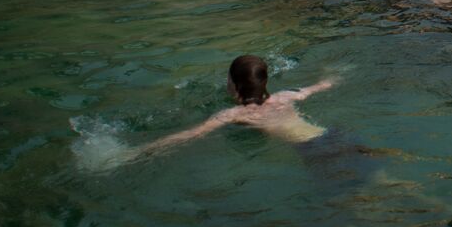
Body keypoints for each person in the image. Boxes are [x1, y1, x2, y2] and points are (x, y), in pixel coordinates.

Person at [130, 56, 338, 160]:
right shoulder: (285, 96)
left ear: (233, 85)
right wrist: (330, 70)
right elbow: (325, 85)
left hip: (312, 151)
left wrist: (137, 152)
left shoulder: (235, 114)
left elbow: (191, 134)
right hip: (332, 136)